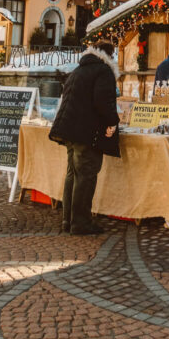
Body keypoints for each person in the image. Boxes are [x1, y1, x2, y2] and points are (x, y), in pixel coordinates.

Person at [49, 38, 120, 235]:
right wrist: (112, 122)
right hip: (86, 132)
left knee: (73, 174)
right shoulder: (103, 71)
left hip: (68, 130)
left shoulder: (78, 70)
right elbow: (103, 102)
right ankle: (80, 222)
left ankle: (68, 220)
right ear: (108, 54)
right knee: (86, 175)